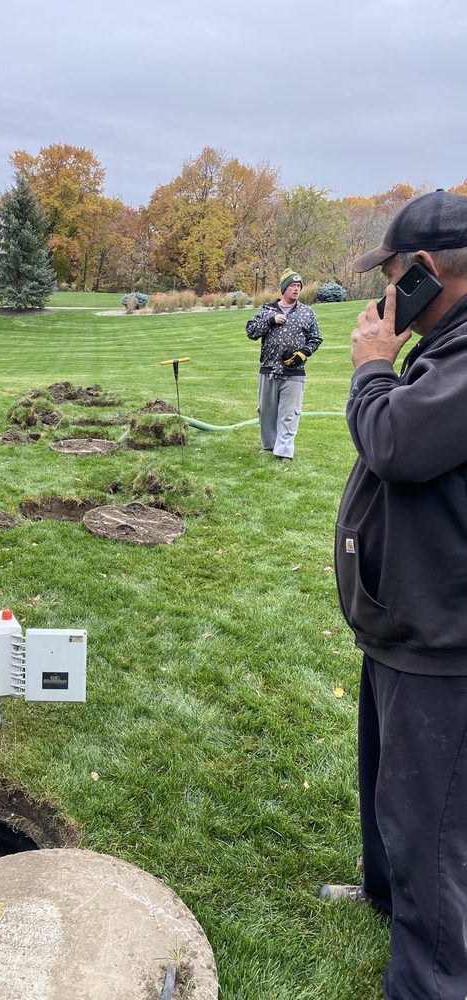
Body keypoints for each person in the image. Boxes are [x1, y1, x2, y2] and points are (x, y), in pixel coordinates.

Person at [325, 189, 467, 1000]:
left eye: (389, 276)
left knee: (433, 827)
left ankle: (432, 979)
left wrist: (374, 365)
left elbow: (395, 444)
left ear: (421, 271)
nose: (382, 294)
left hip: (445, 639)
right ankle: (385, 894)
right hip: (404, 625)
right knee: (389, 787)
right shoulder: (447, 347)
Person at [246, 268, 323, 460]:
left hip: (294, 372)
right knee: (266, 413)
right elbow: (251, 331)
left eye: (298, 286)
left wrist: (303, 354)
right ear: (284, 288)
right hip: (268, 370)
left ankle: (284, 452)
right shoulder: (267, 310)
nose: (296, 289)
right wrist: (271, 321)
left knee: (289, 414)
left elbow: (316, 338)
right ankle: (268, 447)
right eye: (292, 286)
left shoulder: (307, 312)